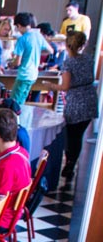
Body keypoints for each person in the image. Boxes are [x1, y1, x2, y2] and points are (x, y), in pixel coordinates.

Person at [39, 32, 98, 182]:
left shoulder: (69, 63)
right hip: (90, 97)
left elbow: (65, 86)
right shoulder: (89, 59)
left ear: (67, 45)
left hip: (76, 100)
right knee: (78, 135)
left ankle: (69, 162)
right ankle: (72, 163)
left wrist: (49, 85)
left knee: (71, 135)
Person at [9, 13, 52, 106]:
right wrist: (35, 53)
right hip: (33, 75)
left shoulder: (22, 39)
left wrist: (10, 63)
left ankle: (15, 120)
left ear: (19, 26)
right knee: (22, 101)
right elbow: (50, 50)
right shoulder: (38, 35)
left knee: (14, 102)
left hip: (24, 74)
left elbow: (17, 62)